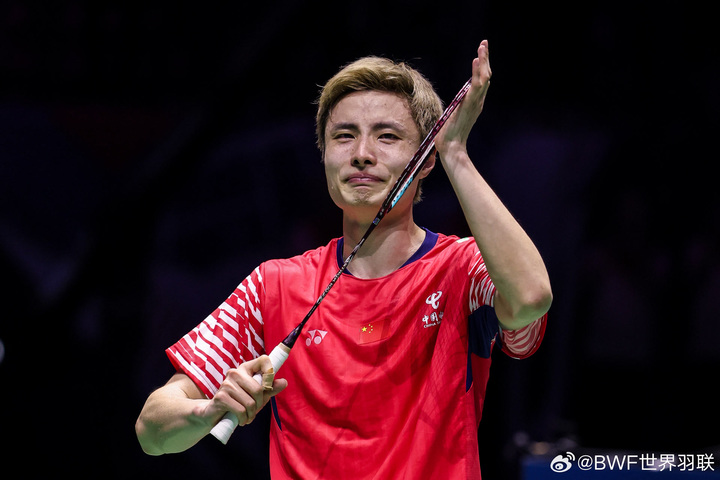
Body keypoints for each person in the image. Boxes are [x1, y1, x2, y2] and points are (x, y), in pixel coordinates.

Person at [136, 40, 552, 479]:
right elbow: (152, 431)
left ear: (425, 160)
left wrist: (456, 155)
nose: (361, 154)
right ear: (324, 155)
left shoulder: (462, 269)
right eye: (344, 135)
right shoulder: (274, 286)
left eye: (387, 136)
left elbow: (530, 299)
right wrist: (207, 410)